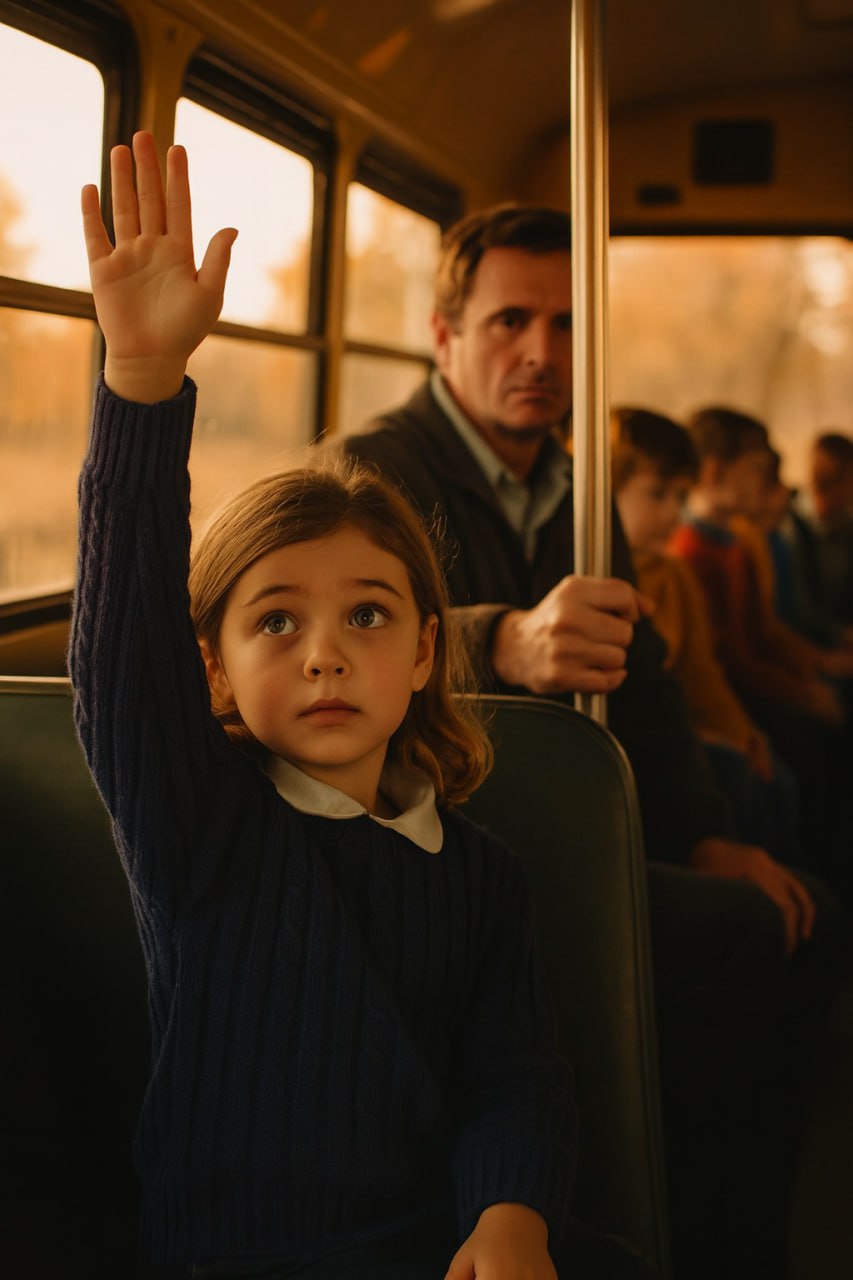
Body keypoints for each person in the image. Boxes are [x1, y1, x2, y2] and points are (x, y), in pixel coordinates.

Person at [70, 133, 660, 1280]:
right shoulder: (201, 827)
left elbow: (515, 1076)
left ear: (430, 649)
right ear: (213, 671)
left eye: (371, 617)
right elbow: (118, 661)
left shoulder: (480, 876)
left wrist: (509, 1213)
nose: (327, 655)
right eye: (277, 621)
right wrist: (141, 384)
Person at [335, 204, 844, 1279]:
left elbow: (644, 682)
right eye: (510, 319)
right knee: (748, 945)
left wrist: (705, 834)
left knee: (782, 911)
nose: (541, 352)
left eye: (568, 326)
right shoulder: (373, 471)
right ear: (443, 334)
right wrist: (502, 642)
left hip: (557, 842)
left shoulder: (578, 486)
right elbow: (343, 647)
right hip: (424, 855)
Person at [610, 406, 801, 866]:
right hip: (641, 740)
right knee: (733, 775)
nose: (674, 514)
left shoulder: (675, 576)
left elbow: (701, 672)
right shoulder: (594, 571)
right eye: (658, 496)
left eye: (680, 497)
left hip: (683, 722)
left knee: (771, 770)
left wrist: (740, 730)